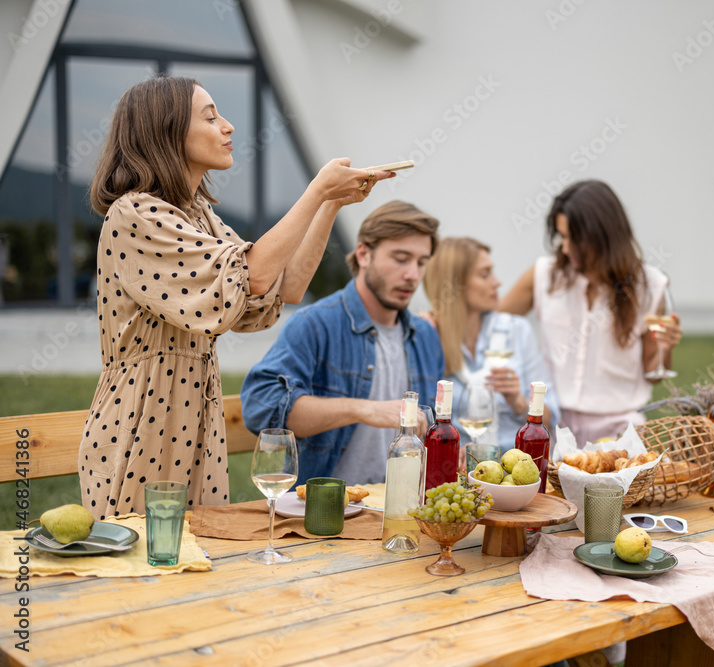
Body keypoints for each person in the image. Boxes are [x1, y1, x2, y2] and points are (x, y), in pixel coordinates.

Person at [79, 76, 392, 519]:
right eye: (210, 117)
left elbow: (284, 285)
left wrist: (330, 205)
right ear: (166, 132)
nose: (227, 127)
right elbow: (254, 272)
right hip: (141, 421)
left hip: (193, 419)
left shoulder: (199, 217)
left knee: (197, 565)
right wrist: (316, 189)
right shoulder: (133, 214)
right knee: (143, 568)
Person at [241, 201, 444, 485]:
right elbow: (260, 408)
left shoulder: (426, 335)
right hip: (325, 513)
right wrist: (365, 409)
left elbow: (442, 423)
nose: (412, 274)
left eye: (421, 262)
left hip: (406, 509)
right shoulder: (315, 324)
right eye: (401, 258)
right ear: (363, 254)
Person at [499, 180, 682, 446]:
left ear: (604, 236)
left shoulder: (650, 286)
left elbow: (652, 372)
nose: (565, 247)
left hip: (620, 429)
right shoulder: (544, 275)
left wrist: (667, 346)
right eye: (562, 236)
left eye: (575, 238)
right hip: (551, 425)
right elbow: (493, 322)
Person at [422, 237, 559, 449]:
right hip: (454, 473)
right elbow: (419, 421)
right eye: (484, 274)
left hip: (515, 470)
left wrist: (519, 402)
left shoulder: (516, 330)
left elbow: (551, 421)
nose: (497, 282)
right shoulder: (426, 336)